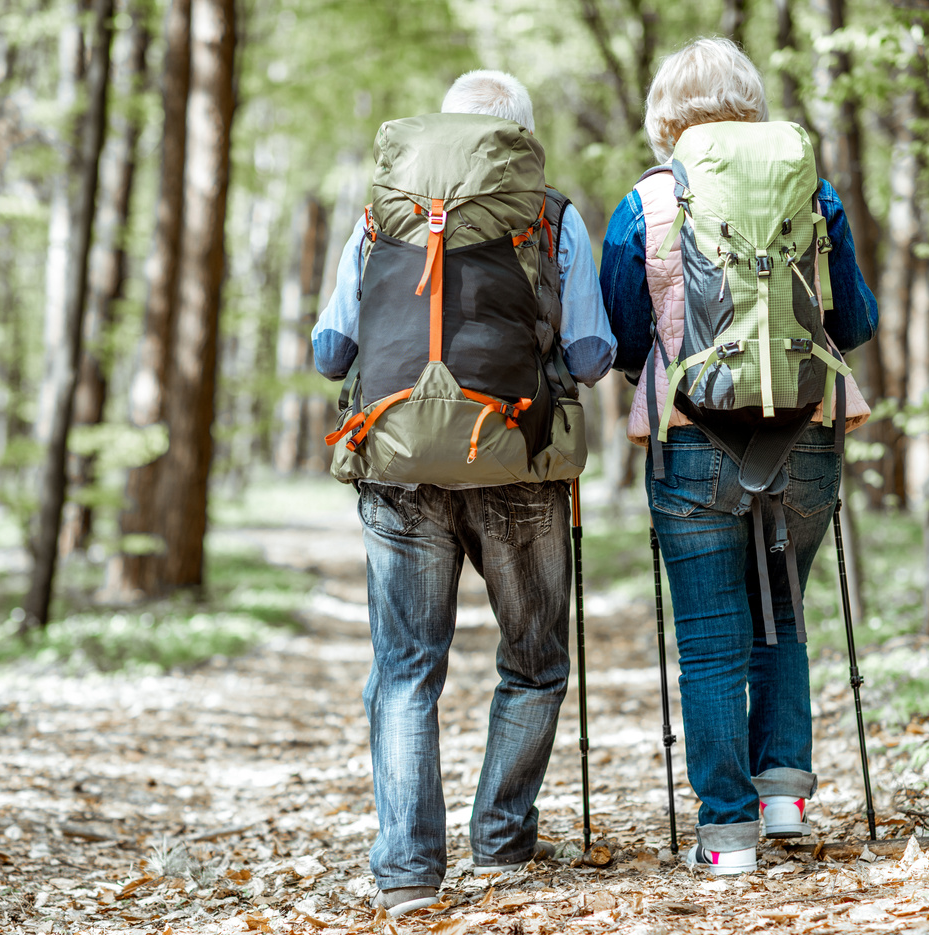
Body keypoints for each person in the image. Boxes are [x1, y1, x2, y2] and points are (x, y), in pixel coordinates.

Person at [313, 70, 616, 915]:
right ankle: (501, 844)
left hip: (399, 462)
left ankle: (409, 870)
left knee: (406, 670)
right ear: (518, 142)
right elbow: (591, 354)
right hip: (517, 456)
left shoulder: (383, 214)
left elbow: (331, 350)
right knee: (534, 658)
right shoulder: (551, 215)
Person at [599, 38, 878, 876]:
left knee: (714, 635)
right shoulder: (813, 189)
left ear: (663, 117)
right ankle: (786, 789)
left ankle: (728, 835)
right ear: (751, 102)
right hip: (808, 428)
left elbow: (621, 336)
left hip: (692, 438)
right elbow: (854, 320)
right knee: (783, 607)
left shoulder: (646, 202)